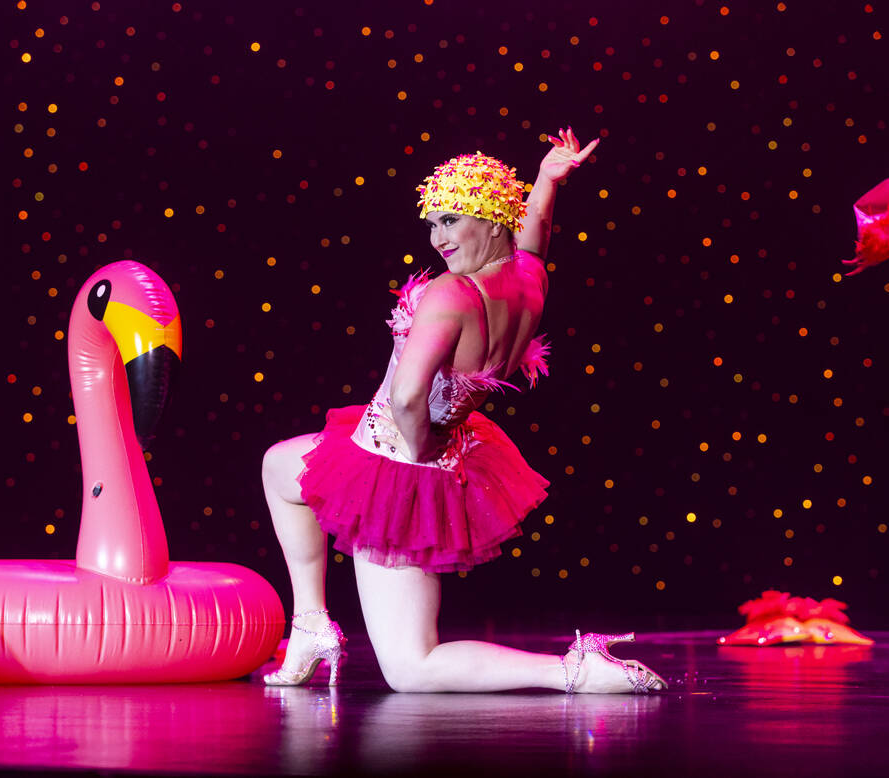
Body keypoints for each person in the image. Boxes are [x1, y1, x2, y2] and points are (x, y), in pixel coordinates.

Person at [260, 129, 667, 694]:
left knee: (410, 669)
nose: (437, 238)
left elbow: (407, 396)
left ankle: (573, 670)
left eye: (451, 220)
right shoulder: (529, 280)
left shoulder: (450, 295)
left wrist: (417, 449)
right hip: (443, 448)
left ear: (493, 218)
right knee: (281, 466)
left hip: (395, 463)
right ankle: (309, 624)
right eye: (432, 223)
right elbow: (537, 235)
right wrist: (548, 181)